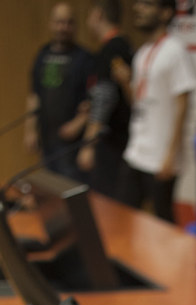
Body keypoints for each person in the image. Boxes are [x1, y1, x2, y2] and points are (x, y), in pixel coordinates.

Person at [115, 0, 196, 222]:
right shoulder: (142, 53)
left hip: (160, 157)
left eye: (147, 4)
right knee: (123, 216)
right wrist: (126, 83)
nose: (138, 8)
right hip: (137, 151)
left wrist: (171, 155)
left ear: (166, 13)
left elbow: (183, 106)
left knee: (162, 221)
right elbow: (138, 102)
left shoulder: (175, 51)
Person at [25, 3, 94, 179]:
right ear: (51, 24)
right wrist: (30, 130)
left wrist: (78, 123)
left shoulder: (84, 58)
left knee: (70, 186)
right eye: (59, 22)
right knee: (50, 185)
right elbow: (34, 95)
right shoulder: (43, 55)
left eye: (68, 22)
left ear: (75, 26)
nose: (63, 27)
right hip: (47, 137)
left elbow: (94, 100)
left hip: (72, 142)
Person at [76, 0, 133, 199]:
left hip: (112, 143)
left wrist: (88, 145)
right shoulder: (124, 45)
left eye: (89, 15)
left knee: (107, 200)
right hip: (121, 140)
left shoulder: (111, 49)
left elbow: (104, 98)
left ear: (98, 14)